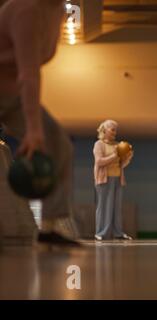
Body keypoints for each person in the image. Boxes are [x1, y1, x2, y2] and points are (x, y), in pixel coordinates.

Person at [0, 0, 79, 245]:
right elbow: (28, 73)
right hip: (14, 88)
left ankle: (49, 227)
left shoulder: (55, 12)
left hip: (11, 95)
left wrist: (38, 129)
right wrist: (33, 129)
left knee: (60, 146)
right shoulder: (26, 9)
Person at [93, 120, 133, 241]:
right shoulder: (99, 144)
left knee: (116, 207)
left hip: (117, 179)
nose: (115, 132)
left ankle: (118, 233)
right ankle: (100, 232)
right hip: (104, 179)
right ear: (104, 130)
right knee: (104, 206)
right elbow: (99, 162)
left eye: (115, 130)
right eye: (112, 129)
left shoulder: (117, 145)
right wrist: (115, 155)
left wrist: (128, 157)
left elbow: (121, 164)